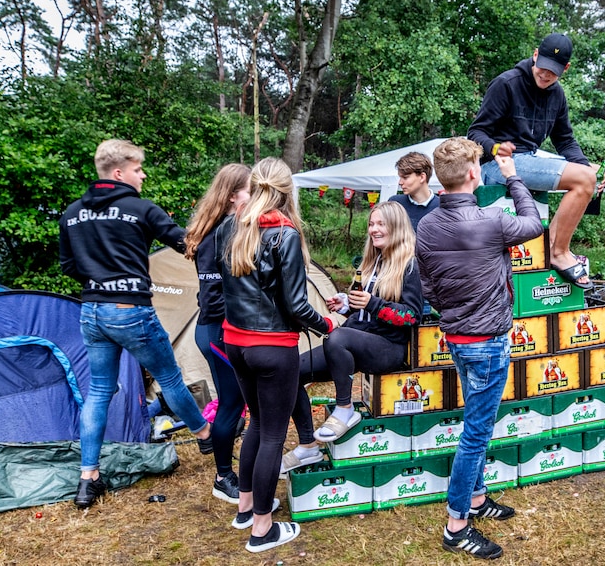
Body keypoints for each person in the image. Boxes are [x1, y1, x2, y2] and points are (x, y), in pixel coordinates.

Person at [59, 139, 212, 510]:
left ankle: (88, 477)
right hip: (130, 311)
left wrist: (99, 275)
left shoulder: (72, 214)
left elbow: (68, 268)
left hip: (92, 312)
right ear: (118, 172)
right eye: (138, 168)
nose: (142, 175)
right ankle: (206, 434)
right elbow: (185, 244)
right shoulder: (140, 209)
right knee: (171, 378)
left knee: (98, 392)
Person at [416, 137, 544, 560]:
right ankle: (457, 525)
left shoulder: (427, 225)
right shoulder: (493, 220)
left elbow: (429, 289)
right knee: (475, 434)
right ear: (474, 174)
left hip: (456, 339)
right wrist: (512, 177)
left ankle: (476, 499)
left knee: (475, 421)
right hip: (487, 343)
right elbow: (534, 222)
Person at [218, 157, 336, 553]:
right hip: (271, 346)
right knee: (271, 433)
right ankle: (262, 530)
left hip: (235, 342)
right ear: (288, 191)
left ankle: (246, 507)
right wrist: (330, 325)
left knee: (256, 424)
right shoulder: (283, 234)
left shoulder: (230, 227)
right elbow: (298, 307)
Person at [467, 32, 601, 290]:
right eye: (543, 67)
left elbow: (565, 141)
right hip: (497, 165)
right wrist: (495, 148)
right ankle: (558, 252)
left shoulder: (558, 95)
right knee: (586, 179)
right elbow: (475, 132)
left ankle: (550, 247)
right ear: (535, 54)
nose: (546, 75)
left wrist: (586, 165)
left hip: (529, 160)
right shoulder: (506, 84)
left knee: (588, 176)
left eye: (554, 71)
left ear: (566, 68)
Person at [312, 201, 423, 444]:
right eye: (371, 224)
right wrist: (346, 305)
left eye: (381, 224)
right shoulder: (372, 261)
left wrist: (372, 304)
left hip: (388, 347)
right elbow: (363, 307)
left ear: (396, 227)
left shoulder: (409, 264)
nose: (374, 229)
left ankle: (345, 409)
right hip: (361, 335)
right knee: (292, 370)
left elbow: (411, 316)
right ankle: (305, 444)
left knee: (338, 338)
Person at [183, 163, 251, 505]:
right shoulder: (220, 233)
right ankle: (223, 477)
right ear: (233, 195)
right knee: (231, 406)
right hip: (218, 333)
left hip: (216, 331)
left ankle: (236, 468)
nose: (254, 196)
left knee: (235, 403)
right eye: (249, 190)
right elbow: (211, 296)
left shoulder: (222, 226)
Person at [389, 151, 439, 230]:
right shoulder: (395, 204)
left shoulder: (441, 207)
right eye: (400, 177)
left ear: (422, 177)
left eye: (405, 177)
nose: (400, 182)